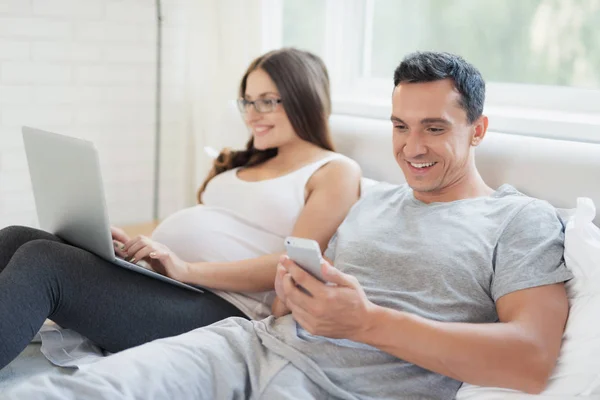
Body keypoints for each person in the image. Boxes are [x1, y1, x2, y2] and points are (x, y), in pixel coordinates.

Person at [4, 51, 573, 400]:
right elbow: (288, 295)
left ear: (478, 130)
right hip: (243, 344)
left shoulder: (519, 220)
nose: (411, 148)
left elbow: (530, 359)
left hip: (334, 386)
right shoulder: (375, 205)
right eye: (399, 126)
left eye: (433, 128)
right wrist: (289, 293)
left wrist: (368, 322)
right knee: (78, 391)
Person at [0, 48, 361, 371]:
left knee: (43, 262)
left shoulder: (334, 170)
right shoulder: (241, 165)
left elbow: (294, 264)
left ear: (305, 100)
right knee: (14, 237)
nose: (252, 114)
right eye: (247, 102)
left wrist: (187, 269)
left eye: (267, 101)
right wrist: (139, 253)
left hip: (227, 311)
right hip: (173, 286)